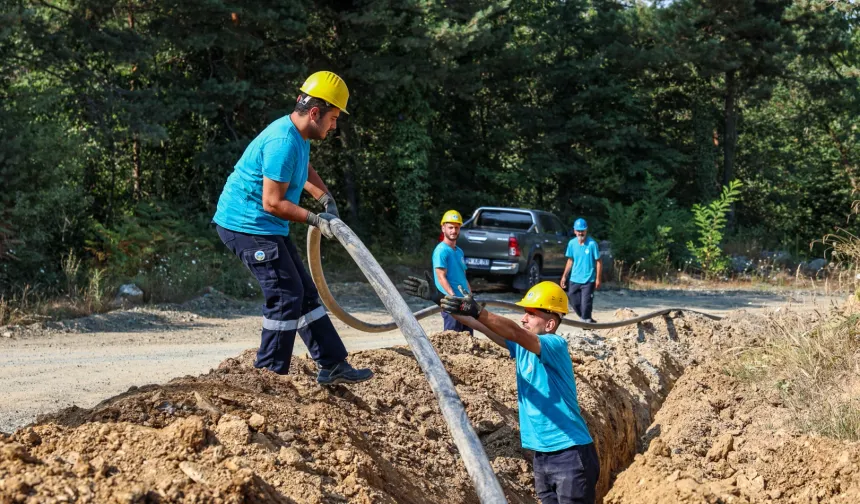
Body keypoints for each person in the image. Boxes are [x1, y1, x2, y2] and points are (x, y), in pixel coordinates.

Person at [212, 71, 372, 386]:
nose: (334, 126)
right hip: (245, 226)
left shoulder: (298, 137)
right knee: (286, 293)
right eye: (333, 118)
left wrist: (325, 199)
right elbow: (273, 202)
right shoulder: (283, 142)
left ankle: (332, 365)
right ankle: (268, 377)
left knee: (304, 291)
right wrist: (316, 219)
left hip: (267, 225)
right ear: (314, 113)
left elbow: (304, 168)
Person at [403, 277, 599, 504]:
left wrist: (479, 311)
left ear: (550, 325)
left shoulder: (555, 345)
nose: (523, 318)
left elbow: (514, 331)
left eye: (531, 314)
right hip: (542, 455)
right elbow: (478, 324)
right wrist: (439, 299)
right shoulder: (521, 348)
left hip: (570, 455)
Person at [432, 210, 473, 335]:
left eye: (456, 227)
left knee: (469, 338)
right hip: (451, 302)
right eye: (450, 227)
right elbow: (441, 277)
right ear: (443, 228)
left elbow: (463, 276)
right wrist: (453, 297)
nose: (454, 231)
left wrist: (470, 296)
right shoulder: (441, 250)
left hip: (464, 302)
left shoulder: (459, 251)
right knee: (452, 338)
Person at [560, 218, 602, 323]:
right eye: (578, 231)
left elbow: (599, 262)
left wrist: (598, 278)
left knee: (586, 303)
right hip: (574, 278)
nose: (580, 233)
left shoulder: (592, 244)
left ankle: (586, 322)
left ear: (586, 230)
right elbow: (570, 260)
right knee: (573, 300)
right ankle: (586, 319)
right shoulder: (572, 243)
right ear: (574, 231)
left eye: (582, 231)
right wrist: (564, 276)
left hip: (588, 279)